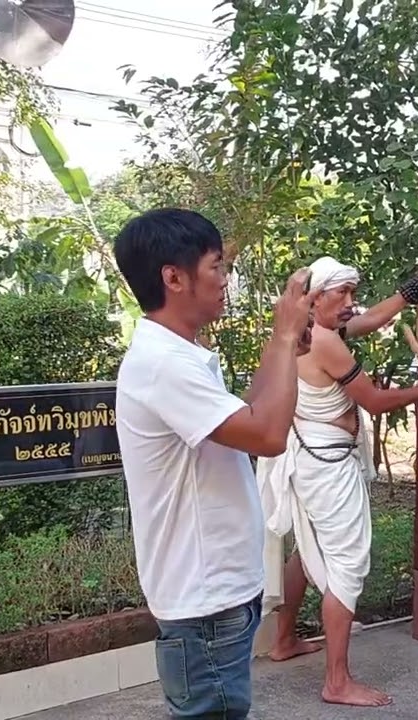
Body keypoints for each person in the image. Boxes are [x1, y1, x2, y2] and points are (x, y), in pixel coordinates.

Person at [112, 208, 318, 720]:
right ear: (174, 278)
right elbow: (269, 436)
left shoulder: (182, 355)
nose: (226, 280)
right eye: (217, 266)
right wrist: (287, 337)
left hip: (218, 593)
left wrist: (282, 344)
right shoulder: (165, 365)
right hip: (205, 601)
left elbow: (244, 423)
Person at [257, 256, 418, 707]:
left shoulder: (304, 332)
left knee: (308, 550)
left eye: (352, 292)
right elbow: (377, 403)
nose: (350, 302)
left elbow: (376, 317)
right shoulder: (326, 344)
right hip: (325, 465)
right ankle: (337, 682)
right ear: (314, 298)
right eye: (340, 293)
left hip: (310, 460)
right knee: (345, 564)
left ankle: (283, 640)